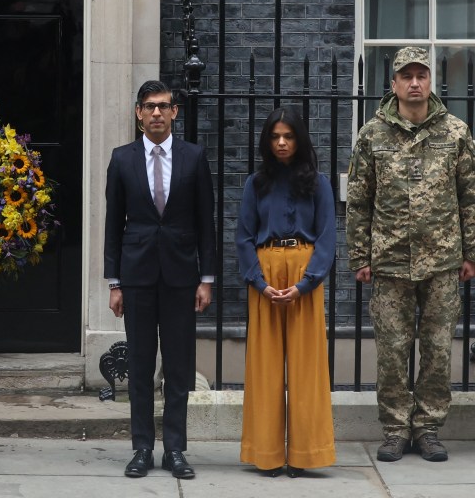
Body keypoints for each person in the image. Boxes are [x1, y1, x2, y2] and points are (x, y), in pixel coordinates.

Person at [347, 46, 475, 463]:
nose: (415, 82)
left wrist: (470, 253)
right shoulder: (372, 135)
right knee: (392, 351)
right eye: (407, 76)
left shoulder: (456, 132)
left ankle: (429, 427)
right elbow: (359, 201)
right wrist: (360, 256)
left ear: (430, 81)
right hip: (389, 263)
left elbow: (469, 198)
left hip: (442, 262)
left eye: (421, 75)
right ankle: (396, 428)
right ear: (394, 83)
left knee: (438, 349)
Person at [104, 80, 215, 479]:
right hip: (136, 276)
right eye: (148, 106)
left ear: (174, 113)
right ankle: (141, 447)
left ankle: (175, 449)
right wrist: (114, 283)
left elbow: (207, 222)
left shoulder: (193, 157)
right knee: (139, 364)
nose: (155, 113)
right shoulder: (121, 159)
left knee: (179, 365)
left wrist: (206, 279)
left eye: (163, 106)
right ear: (138, 113)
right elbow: (113, 225)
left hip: (182, 276)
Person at [235, 107, 336, 477]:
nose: (281, 142)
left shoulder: (319, 183)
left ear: (299, 139)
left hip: (303, 274)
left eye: (288, 136)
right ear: (267, 141)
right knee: (265, 367)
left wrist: (306, 283)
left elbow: (326, 237)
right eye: (275, 136)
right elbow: (244, 237)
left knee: (308, 368)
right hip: (265, 272)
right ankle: (267, 453)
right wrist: (260, 284)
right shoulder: (255, 183)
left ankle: (307, 454)